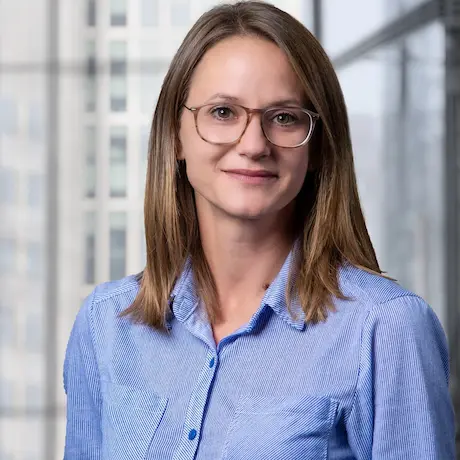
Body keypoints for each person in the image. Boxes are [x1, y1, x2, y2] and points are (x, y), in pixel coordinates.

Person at [63, 1, 455, 459]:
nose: (253, 145)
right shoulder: (106, 325)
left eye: (285, 117)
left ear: (319, 148)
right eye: (224, 112)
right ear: (176, 136)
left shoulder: (385, 330)